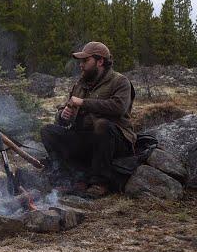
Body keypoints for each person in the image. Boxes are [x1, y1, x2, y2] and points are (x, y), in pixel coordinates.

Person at [40, 41, 136, 197]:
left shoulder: (120, 81)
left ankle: (99, 183)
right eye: (81, 61)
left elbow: (119, 107)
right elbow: (66, 112)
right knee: (48, 132)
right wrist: (63, 116)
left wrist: (84, 103)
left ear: (100, 62)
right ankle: (69, 178)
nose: (81, 65)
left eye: (85, 61)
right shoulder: (80, 84)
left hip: (115, 142)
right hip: (87, 140)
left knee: (102, 125)